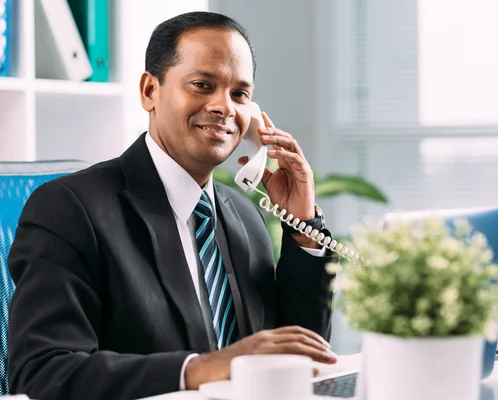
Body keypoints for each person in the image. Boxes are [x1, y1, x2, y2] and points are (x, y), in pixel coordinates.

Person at [7, 11, 337, 400]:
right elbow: (43, 372)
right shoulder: (70, 209)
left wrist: (302, 226)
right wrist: (200, 369)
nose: (224, 107)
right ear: (150, 91)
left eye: (240, 94)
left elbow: (297, 356)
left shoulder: (244, 216)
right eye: (202, 85)